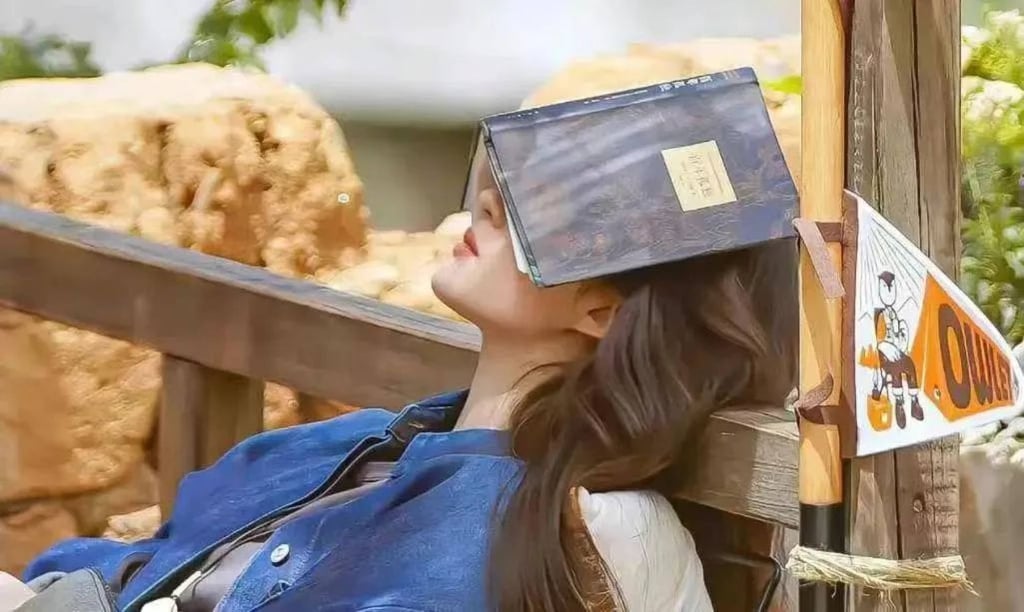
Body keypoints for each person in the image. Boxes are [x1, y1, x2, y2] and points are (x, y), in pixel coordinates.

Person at [14, 101, 796, 612]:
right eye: (513, 184)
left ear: (603, 313)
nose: (488, 203)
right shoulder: (357, 443)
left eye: (545, 221)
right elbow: (145, 562)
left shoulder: (516, 533)